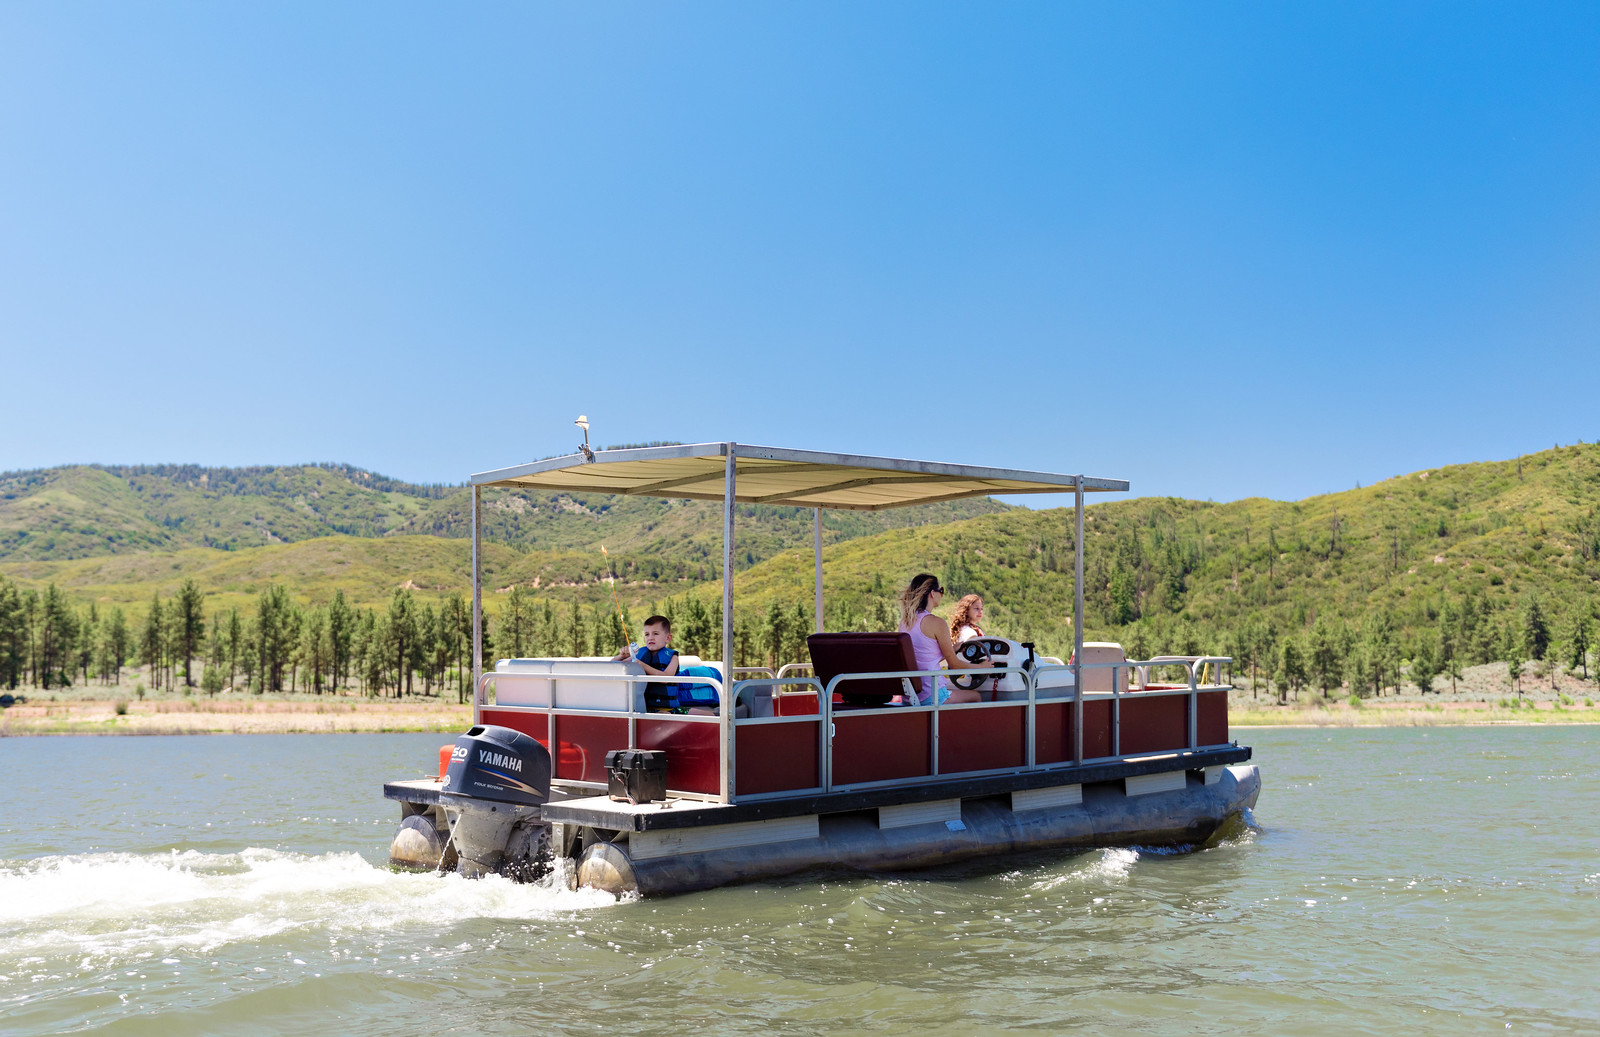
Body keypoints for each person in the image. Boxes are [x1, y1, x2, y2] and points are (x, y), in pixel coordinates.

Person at [898, 573, 992, 705]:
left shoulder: (905, 622)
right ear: (932, 593)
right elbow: (955, 665)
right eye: (940, 590)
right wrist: (982, 667)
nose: (941, 595)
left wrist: (952, 649)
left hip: (911, 697)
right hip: (932, 695)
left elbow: (922, 657)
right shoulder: (937, 623)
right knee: (976, 696)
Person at [612, 615, 721, 712]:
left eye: (655, 633)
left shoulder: (673, 657)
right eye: (647, 634)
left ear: (668, 638)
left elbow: (666, 678)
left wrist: (642, 665)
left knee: (706, 715)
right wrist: (621, 656)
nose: (650, 637)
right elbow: (612, 666)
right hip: (646, 707)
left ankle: (719, 713)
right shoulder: (640, 654)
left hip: (668, 707)